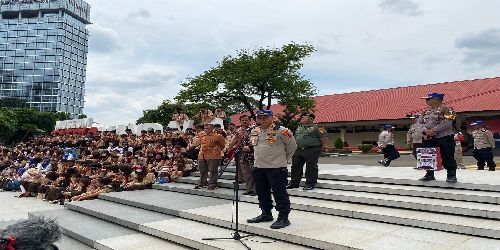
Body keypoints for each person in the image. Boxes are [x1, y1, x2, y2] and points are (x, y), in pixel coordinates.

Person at [247, 110, 297, 229]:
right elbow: (255, 147)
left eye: (265, 117)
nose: (262, 120)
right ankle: (266, 213)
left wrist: (283, 159)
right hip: (259, 166)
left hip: (276, 167)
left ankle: (283, 217)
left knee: (279, 193)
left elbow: (292, 146)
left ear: (271, 117)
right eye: (260, 118)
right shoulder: (255, 131)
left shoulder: (282, 130)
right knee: (262, 192)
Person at [417, 93, 458, 182]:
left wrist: (435, 130)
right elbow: (419, 123)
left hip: (444, 137)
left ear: (436, 100)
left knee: (447, 156)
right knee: (428, 156)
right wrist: (425, 131)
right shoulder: (425, 111)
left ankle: (451, 175)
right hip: (428, 137)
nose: (426, 101)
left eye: (428, 99)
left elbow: (448, 122)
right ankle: (429, 174)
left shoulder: (446, 109)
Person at [286, 113, 328, 190]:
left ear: (311, 119)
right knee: (295, 166)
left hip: (311, 149)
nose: (301, 118)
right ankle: (294, 183)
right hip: (298, 150)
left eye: (304, 117)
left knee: (311, 167)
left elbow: (324, 138)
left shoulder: (317, 128)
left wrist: (320, 147)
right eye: (301, 117)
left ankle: (310, 184)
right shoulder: (299, 128)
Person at [227, 115, 256, 196]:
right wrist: (229, 148)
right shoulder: (238, 130)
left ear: (249, 121)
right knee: (246, 172)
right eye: (242, 120)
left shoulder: (254, 129)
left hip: (252, 152)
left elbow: (255, 140)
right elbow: (235, 139)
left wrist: (250, 146)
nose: (244, 122)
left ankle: (255, 189)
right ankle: (249, 189)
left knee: (254, 171)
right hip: (242, 152)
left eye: (246, 120)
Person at [195, 124, 226, 190]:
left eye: (207, 128)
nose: (205, 130)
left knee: (213, 170)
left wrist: (216, 151)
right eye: (205, 128)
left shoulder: (218, 136)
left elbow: (223, 145)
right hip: (202, 155)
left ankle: (213, 183)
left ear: (212, 129)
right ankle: (202, 182)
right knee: (202, 169)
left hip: (213, 155)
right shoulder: (202, 136)